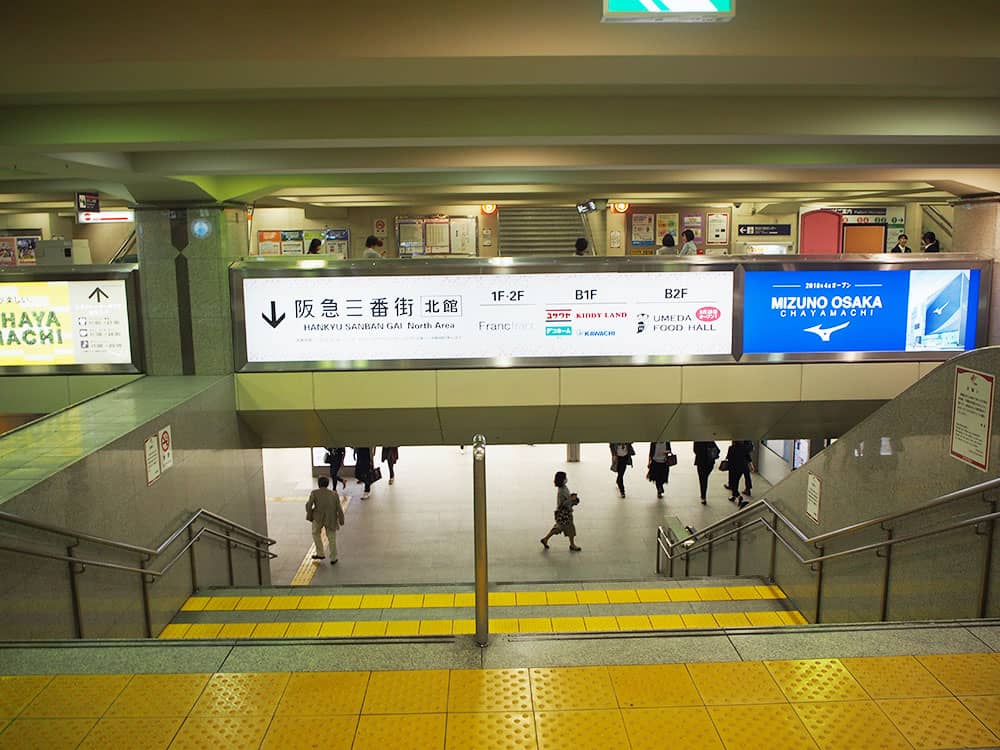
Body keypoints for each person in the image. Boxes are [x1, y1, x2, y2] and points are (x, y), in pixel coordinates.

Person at [305, 476, 345, 564]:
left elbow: (309, 505)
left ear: (319, 484)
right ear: (327, 484)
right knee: (331, 537)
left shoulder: (314, 493)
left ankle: (320, 553)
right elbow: (339, 508)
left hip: (318, 517)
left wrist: (309, 514)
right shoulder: (334, 494)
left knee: (315, 533)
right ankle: (333, 557)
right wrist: (341, 520)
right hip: (331, 518)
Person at [540, 471, 581, 552]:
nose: (566, 479)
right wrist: (571, 499)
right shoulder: (562, 491)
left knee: (561, 528)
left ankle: (546, 539)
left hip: (563, 514)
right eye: (565, 478)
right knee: (567, 528)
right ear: (562, 480)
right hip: (565, 514)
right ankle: (572, 545)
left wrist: (571, 498)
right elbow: (563, 503)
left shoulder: (563, 488)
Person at [724, 441, 752, 508]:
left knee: (733, 483)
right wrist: (750, 465)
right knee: (736, 482)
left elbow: (729, 457)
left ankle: (738, 497)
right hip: (742, 468)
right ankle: (733, 496)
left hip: (733, 468)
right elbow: (748, 458)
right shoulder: (744, 447)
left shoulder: (731, 448)